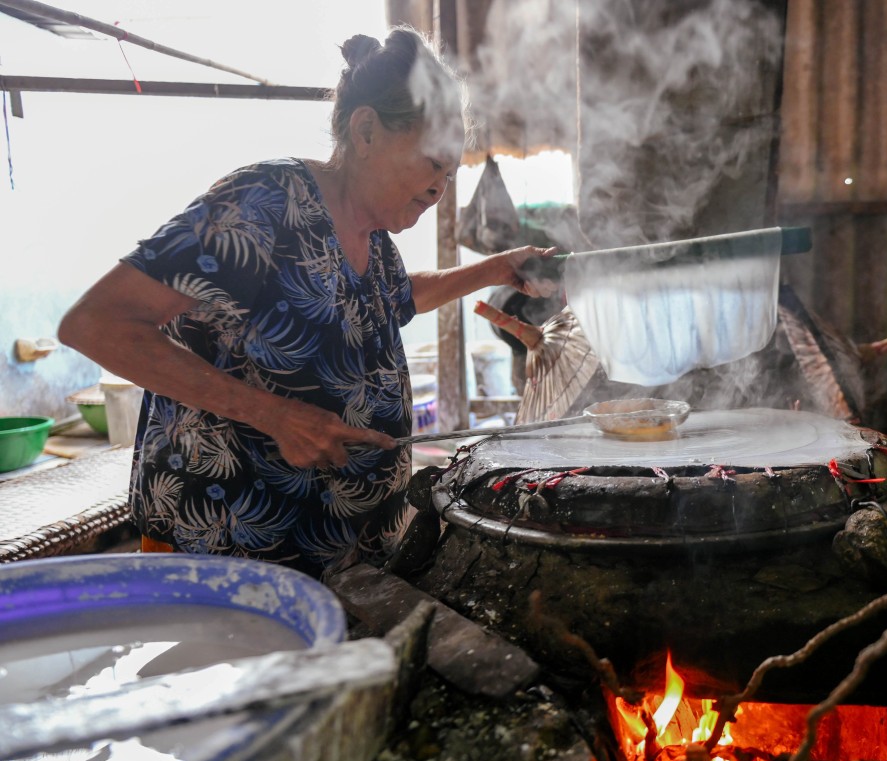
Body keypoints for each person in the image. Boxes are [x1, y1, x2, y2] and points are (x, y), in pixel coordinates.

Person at [58, 25, 554, 580]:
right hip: (229, 549)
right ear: (366, 130)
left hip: (342, 553)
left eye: (448, 172)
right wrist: (275, 415)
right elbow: (96, 324)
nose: (440, 188)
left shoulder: (373, 237)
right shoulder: (262, 206)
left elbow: (388, 299)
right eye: (431, 163)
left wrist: (498, 267)